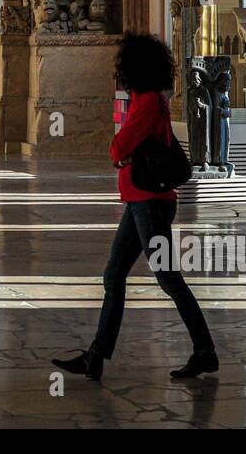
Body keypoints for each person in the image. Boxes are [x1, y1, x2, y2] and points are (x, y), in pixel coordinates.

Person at [52, 32, 217, 382]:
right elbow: (123, 150)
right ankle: (95, 356)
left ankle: (204, 351)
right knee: (114, 275)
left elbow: (117, 147)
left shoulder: (146, 104)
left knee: (168, 278)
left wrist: (120, 152)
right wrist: (123, 153)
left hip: (150, 205)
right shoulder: (148, 99)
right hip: (139, 202)